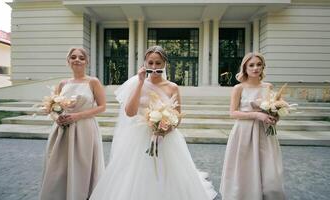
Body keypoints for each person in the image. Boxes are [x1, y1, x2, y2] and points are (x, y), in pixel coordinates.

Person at [90, 46, 217, 200]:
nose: (154, 67)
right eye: (150, 63)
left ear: (165, 64)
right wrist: (140, 83)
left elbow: (177, 117)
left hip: (166, 137)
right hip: (139, 136)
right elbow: (130, 112)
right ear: (145, 63)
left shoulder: (172, 87)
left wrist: (164, 129)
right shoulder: (137, 83)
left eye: (158, 63)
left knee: (168, 173)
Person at [39, 47, 106, 200]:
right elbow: (52, 107)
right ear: (68, 61)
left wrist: (77, 116)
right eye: (73, 57)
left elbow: (102, 107)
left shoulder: (93, 82)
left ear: (87, 62)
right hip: (62, 130)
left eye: (81, 58)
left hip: (84, 129)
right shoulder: (62, 83)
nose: (77, 60)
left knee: (82, 165)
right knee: (59, 165)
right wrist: (56, 118)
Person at [219, 52, 285, 200]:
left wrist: (275, 116)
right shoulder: (239, 88)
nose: (255, 68)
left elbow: (274, 110)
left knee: (269, 170)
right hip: (244, 133)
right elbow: (233, 113)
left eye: (259, 65)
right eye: (251, 65)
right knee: (245, 168)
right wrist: (256, 115)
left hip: (265, 133)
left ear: (263, 67)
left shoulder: (268, 86)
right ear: (245, 68)